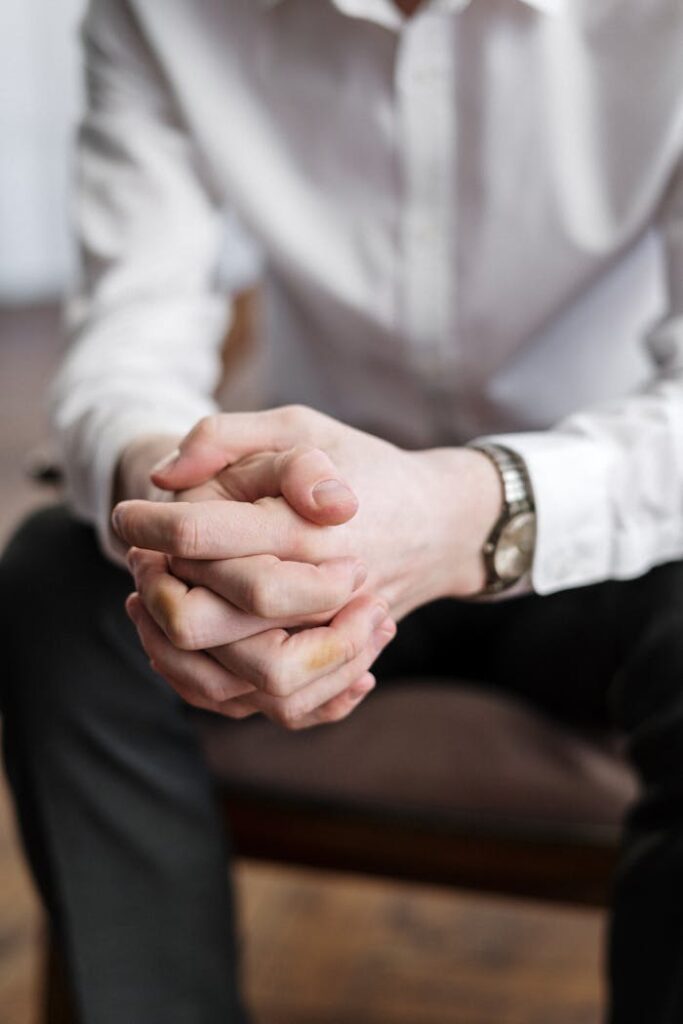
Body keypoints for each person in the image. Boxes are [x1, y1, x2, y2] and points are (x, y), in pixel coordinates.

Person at [1, 0, 683, 1021]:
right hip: (304, 541)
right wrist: (181, 505)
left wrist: (462, 509)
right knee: (60, 579)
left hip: (603, 541)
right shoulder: (157, 13)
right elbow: (128, 349)